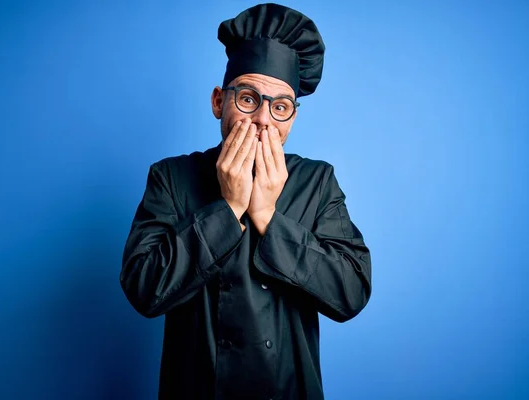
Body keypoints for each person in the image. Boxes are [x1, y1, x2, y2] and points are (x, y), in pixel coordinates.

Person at [120, 3, 372, 399]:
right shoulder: (171, 178)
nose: (264, 120)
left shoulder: (317, 182)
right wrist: (229, 209)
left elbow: (351, 293)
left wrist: (268, 216)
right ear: (219, 101)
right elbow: (143, 289)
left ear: (292, 117)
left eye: (280, 107)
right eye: (249, 99)